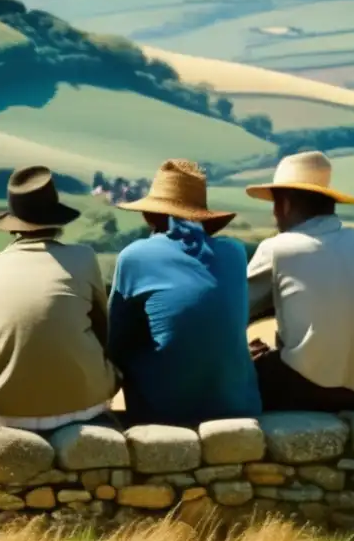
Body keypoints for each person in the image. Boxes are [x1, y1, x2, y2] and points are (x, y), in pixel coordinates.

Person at [244, 150, 354, 412]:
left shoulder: (278, 249)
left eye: (275, 205)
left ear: (285, 204)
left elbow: (231, 314)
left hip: (303, 394)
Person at [108, 159, 262, 427]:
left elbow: (113, 341)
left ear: (148, 214)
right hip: (240, 406)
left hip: (164, 412)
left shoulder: (135, 257)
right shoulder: (235, 252)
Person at [0, 165, 119, 432]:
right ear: (56, 221)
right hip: (84, 403)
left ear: (12, 225)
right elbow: (104, 329)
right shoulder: (84, 258)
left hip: (9, 411)